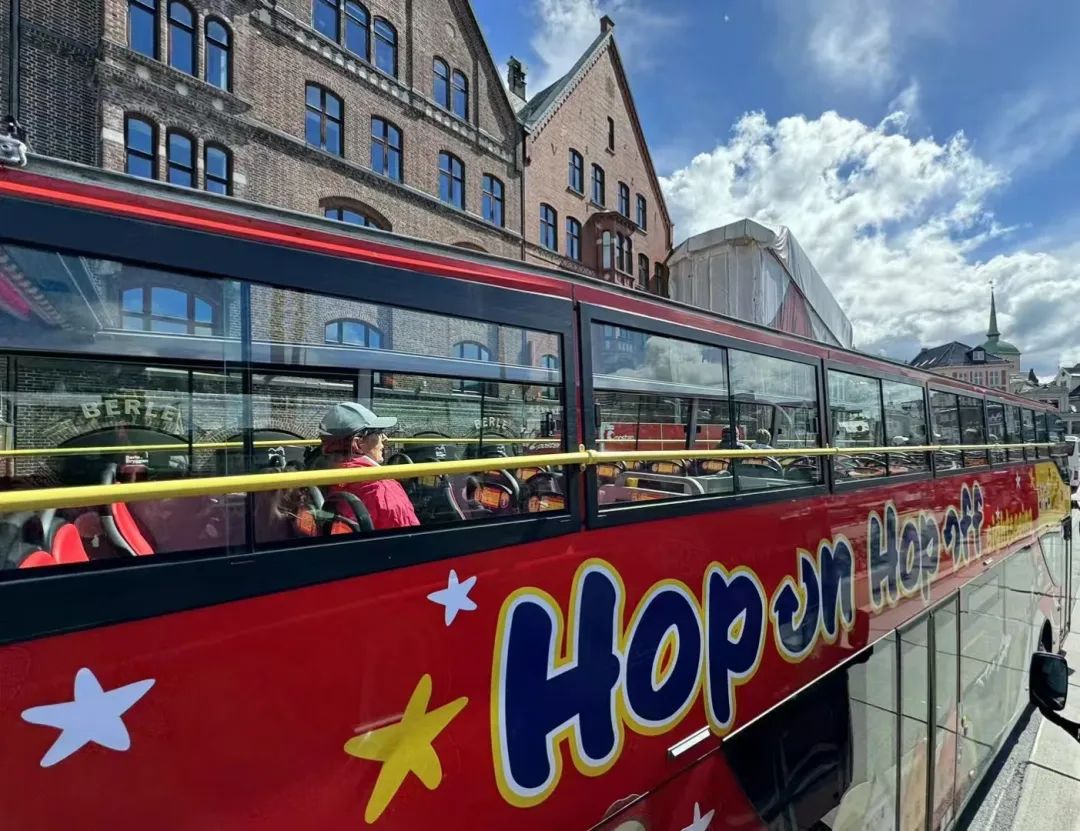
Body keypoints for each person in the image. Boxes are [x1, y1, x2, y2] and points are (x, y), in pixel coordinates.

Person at [319, 402, 419, 531]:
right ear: (358, 443)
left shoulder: (322, 478)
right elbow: (411, 538)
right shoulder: (383, 488)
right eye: (378, 432)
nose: (385, 439)